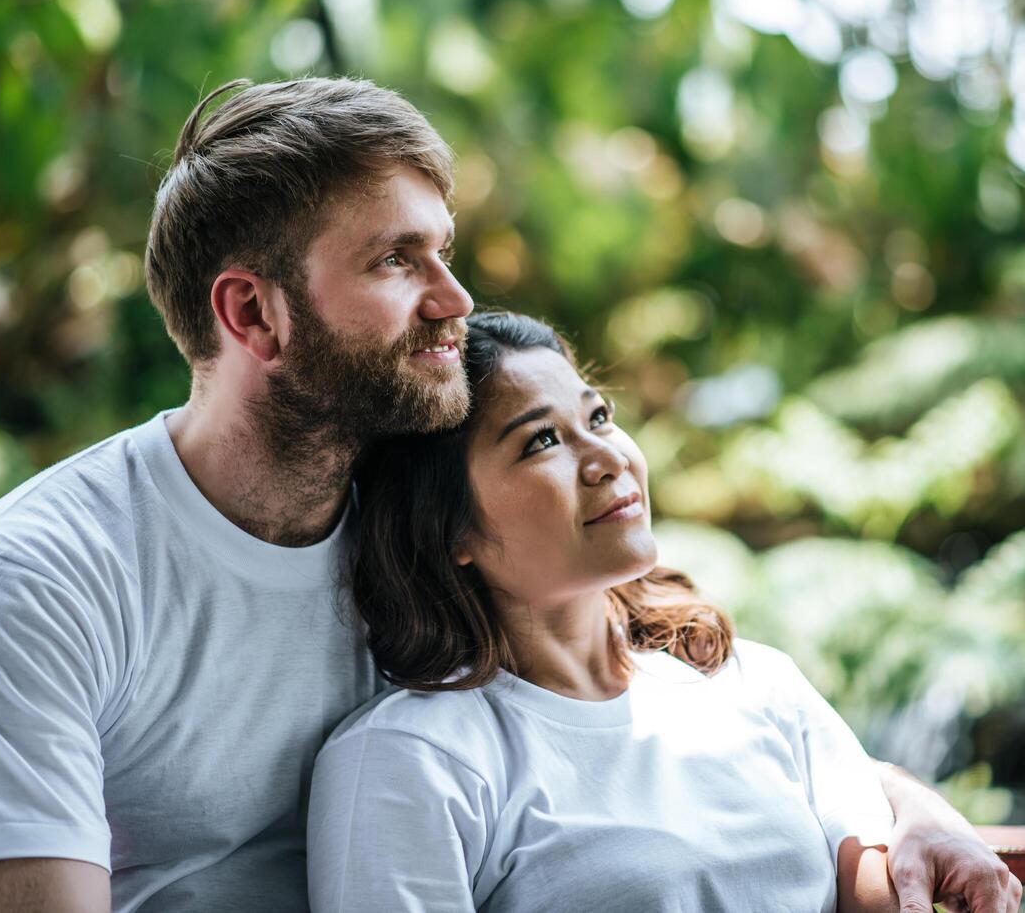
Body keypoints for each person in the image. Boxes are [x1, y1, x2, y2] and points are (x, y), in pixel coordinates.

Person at [0, 77, 1020, 913]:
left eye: (444, 250)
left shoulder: (414, 524)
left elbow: (669, 730)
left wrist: (910, 807)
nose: (457, 297)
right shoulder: (38, 577)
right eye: (399, 261)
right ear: (252, 316)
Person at [310, 310, 907, 911]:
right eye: (541, 440)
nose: (609, 459)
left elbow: (876, 886)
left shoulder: (754, 684)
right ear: (449, 528)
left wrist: (918, 808)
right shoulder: (412, 760)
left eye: (599, 417)